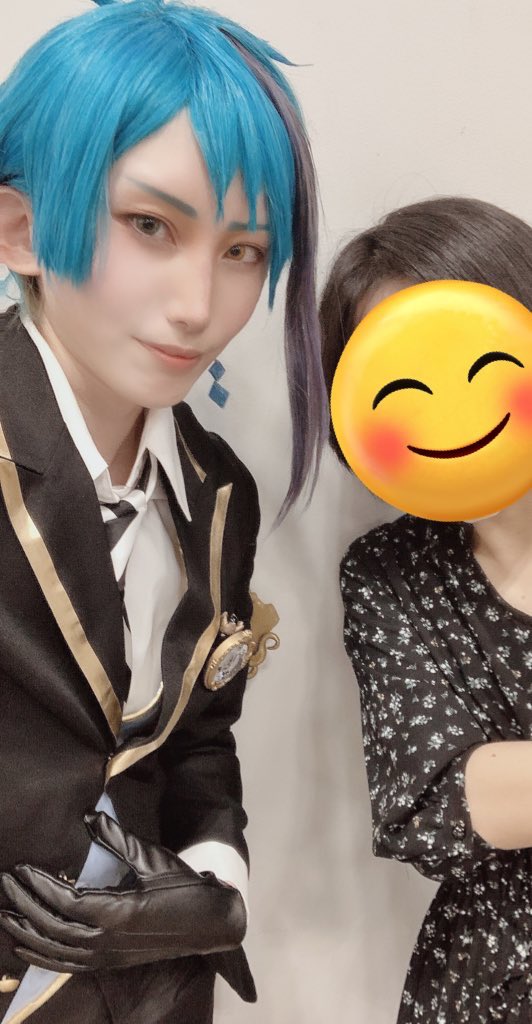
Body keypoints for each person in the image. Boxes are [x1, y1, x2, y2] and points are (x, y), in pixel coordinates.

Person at [0, 2, 328, 1022]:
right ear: (21, 228)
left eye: (243, 250)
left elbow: (197, 738)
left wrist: (212, 892)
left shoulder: (217, 488)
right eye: (151, 225)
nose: (200, 305)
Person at [320, 196, 532, 1024]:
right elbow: (432, 802)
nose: (450, 411)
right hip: (487, 987)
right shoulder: (390, 572)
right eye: (404, 381)